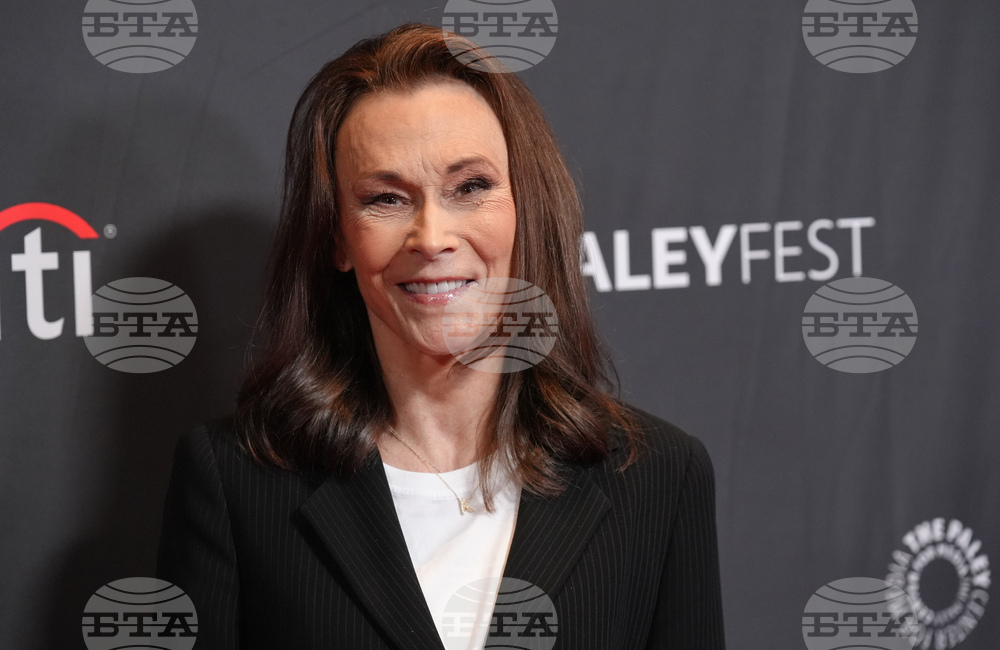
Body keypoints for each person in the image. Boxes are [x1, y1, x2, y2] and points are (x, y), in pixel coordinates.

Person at [158, 22, 725, 650]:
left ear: (525, 207)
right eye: (385, 199)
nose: (431, 238)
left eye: (471, 187)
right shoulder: (237, 482)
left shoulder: (658, 477)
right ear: (337, 238)